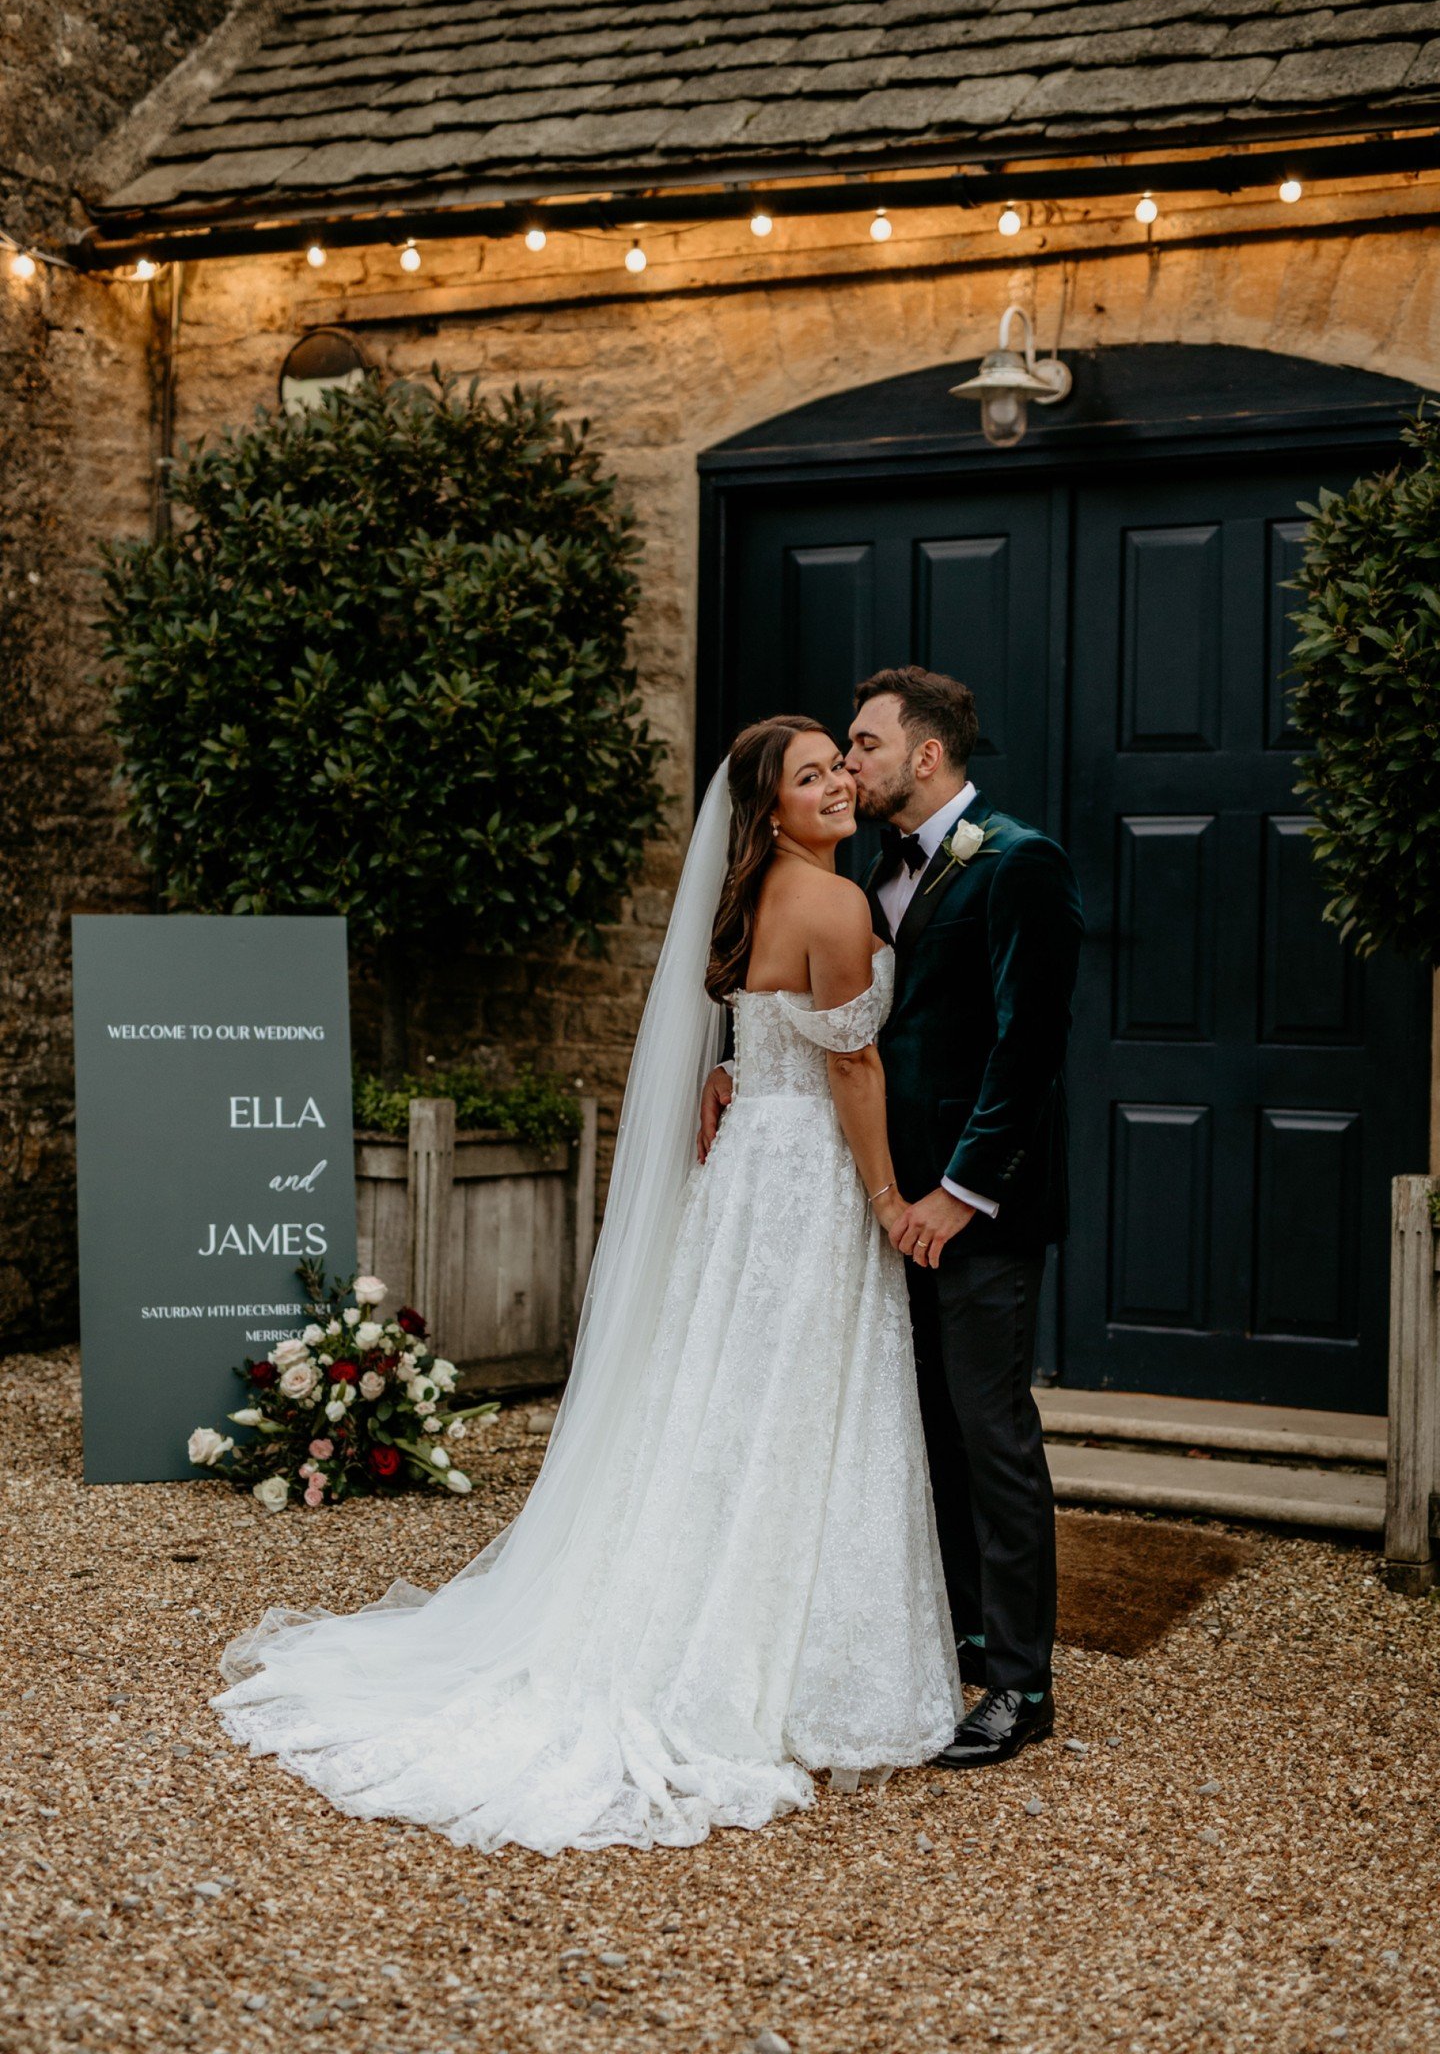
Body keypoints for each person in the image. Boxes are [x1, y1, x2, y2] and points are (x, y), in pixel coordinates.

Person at [212, 716, 960, 1854]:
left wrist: (729, 1076)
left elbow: (773, 1033)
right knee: (801, 1403)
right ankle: (785, 1659)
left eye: (836, 768)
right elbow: (851, 1063)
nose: (836, 787)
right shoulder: (838, 903)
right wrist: (887, 1198)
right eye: (810, 778)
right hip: (805, 1175)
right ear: (769, 811)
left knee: (722, 1397)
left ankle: (705, 1606)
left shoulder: (757, 899)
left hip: (747, 1166)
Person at [704, 668, 1084, 1767]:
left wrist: (957, 1194)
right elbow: (830, 1025)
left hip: (972, 1210)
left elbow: (1029, 1049)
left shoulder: (1019, 862)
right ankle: (962, 1629)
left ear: (924, 756)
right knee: (921, 1428)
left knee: (991, 1429)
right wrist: (738, 1070)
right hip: (879, 1210)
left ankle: (1021, 1683)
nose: (848, 766)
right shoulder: (875, 871)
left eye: (861, 746)